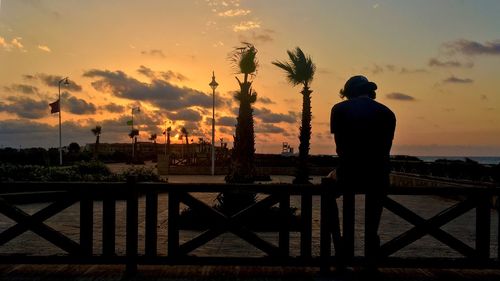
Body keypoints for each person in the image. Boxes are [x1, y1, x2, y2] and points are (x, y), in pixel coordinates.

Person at [330, 75, 396, 265]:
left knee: (328, 190)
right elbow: (386, 148)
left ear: (349, 93)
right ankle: (372, 254)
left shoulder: (339, 109)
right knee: (373, 218)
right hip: (379, 175)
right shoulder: (387, 112)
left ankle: (340, 248)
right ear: (370, 92)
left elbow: (340, 146)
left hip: (348, 173)